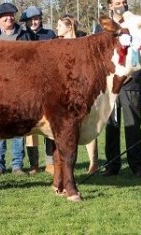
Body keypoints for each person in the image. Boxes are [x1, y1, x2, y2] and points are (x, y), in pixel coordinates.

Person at [0, 2, 35, 176]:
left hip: (19, 88)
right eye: (5, 16)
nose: (9, 18)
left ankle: (17, 164)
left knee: (18, 127)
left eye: (12, 15)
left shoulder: (26, 35)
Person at [100, 0, 141, 177]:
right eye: (118, 3)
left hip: (130, 81)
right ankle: (112, 165)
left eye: (124, 2)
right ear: (110, 6)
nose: (122, 5)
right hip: (111, 83)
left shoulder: (134, 24)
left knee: (133, 124)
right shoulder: (103, 26)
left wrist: (132, 72)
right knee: (111, 125)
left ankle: (137, 165)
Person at [55, 14, 99, 175]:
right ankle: (64, 164)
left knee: (87, 125)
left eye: (60, 25)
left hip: (83, 89)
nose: (57, 28)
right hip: (63, 92)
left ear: (69, 27)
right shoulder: (57, 45)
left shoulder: (84, 43)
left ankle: (93, 162)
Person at [19, 6, 57, 174]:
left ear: (41, 18)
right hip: (29, 86)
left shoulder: (50, 35)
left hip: (48, 86)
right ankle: (33, 163)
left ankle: (50, 162)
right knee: (30, 127)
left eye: (36, 18)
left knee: (49, 125)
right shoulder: (23, 36)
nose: (33, 22)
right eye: (30, 20)